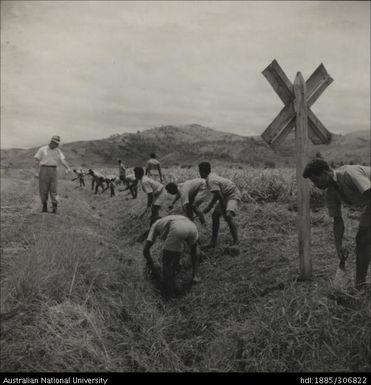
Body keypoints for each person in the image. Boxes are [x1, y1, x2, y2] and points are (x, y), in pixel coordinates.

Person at [303, 158, 370, 290]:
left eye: (316, 180)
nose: (316, 185)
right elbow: (338, 221)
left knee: (364, 238)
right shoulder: (331, 193)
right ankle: (360, 285)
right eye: (313, 182)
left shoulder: (349, 174)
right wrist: (338, 246)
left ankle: (360, 284)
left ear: (325, 173)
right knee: (362, 240)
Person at [143, 215, 201, 299]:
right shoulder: (170, 218)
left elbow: (145, 251)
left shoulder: (155, 225)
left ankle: (170, 294)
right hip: (192, 226)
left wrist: (152, 265)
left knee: (166, 262)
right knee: (194, 250)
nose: (159, 236)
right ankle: (195, 276)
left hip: (177, 228)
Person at [198, 162, 241, 249]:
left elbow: (219, 195)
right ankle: (213, 242)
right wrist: (210, 206)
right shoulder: (211, 176)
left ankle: (236, 241)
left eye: (199, 171)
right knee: (215, 215)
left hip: (233, 194)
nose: (199, 173)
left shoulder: (211, 180)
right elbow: (218, 195)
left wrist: (214, 207)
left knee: (228, 215)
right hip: (225, 195)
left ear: (202, 172)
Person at [34, 135, 71, 214]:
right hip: (43, 169)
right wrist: (37, 172)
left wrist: (68, 168)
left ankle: (54, 207)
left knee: (54, 189)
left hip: (54, 170)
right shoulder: (42, 149)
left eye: (58, 143)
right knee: (43, 189)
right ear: (51, 142)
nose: (57, 145)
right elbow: (37, 160)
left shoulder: (58, 151)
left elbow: (62, 160)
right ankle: (44, 205)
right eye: (55, 143)